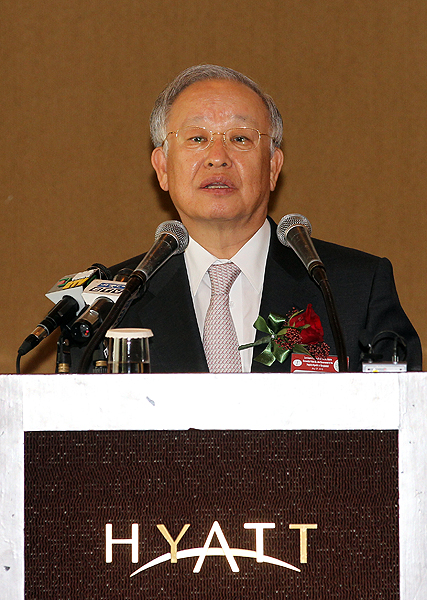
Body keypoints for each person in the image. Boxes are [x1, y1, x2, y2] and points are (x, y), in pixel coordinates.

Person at [101, 65, 422, 372]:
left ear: (272, 167)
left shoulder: (353, 288)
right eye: (197, 138)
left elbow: (400, 405)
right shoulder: (111, 302)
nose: (217, 158)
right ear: (162, 168)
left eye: (240, 138)